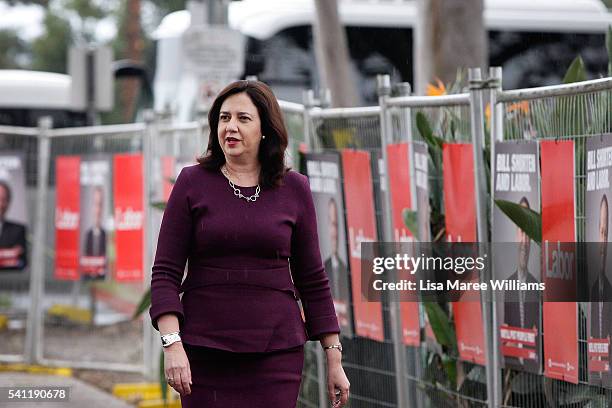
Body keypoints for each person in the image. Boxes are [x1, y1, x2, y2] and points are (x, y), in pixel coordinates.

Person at [149, 80, 350, 408]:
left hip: (276, 355)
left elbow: (312, 278)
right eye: (224, 118)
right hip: (205, 353)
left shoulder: (294, 188)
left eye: (243, 118)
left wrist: (334, 358)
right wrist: (172, 344)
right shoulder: (191, 183)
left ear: (265, 129)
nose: (231, 126)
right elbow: (165, 273)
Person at [502, 196, 541, 372]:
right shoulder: (507, 285)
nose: (524, 240)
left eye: (528, 231)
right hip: (512, 368)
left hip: (535, 366)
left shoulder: (538, 286)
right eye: (520, 230)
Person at [589, 194, 612, 383]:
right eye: (601, 231)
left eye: (606, 233)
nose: (602, 239)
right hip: (596, 371)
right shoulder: (593, 287)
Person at [323, 197, 350, 303]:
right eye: (332, 224)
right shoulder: (323, 268)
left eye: (336, 225)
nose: (334, 232)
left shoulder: (345, 268)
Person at [0, 180, 27, 270]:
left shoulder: (18, 230)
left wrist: (15, 257)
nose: (1, 204)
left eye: (3, 200)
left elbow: (23, 263)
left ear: (8, 202)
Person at [81, 186, 107, 278]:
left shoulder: (105, 235)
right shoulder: (87, 235)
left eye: (100, 205)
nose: (97, 210)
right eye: (95, 204)